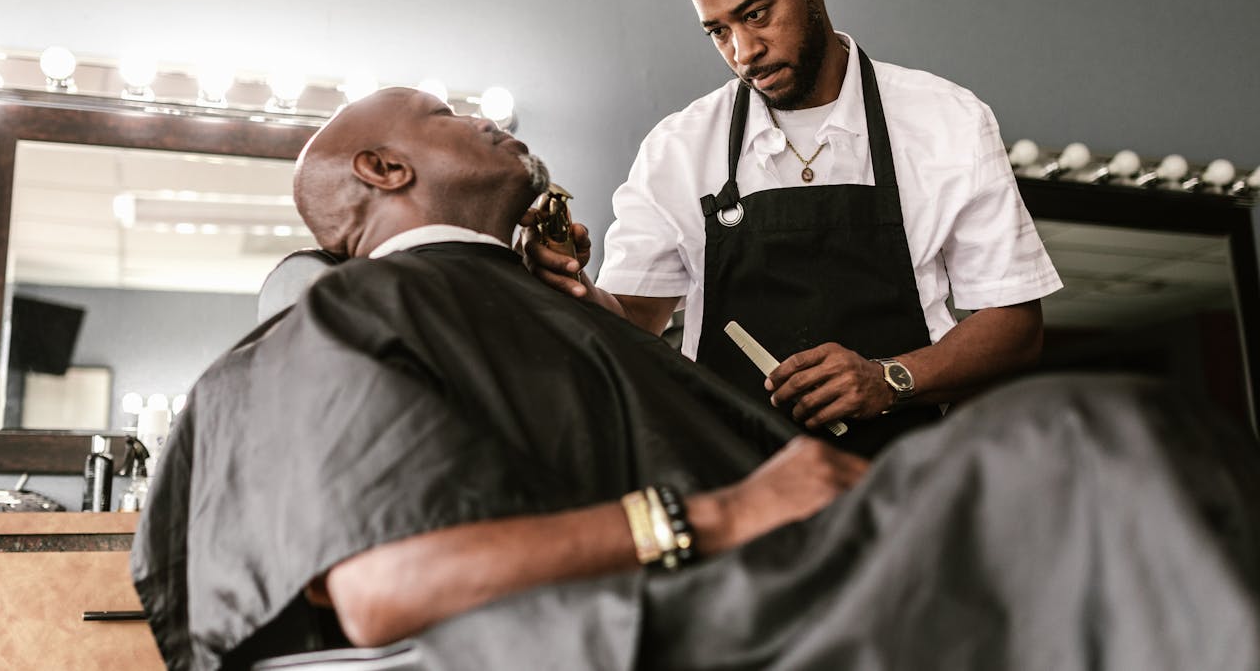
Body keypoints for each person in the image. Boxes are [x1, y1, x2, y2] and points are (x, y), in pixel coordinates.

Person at [132, 89, 1260, 671]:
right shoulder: (341, 308)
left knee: (1103, 468)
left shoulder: (526, 305)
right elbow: (383, 585)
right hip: (690, 607)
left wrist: (569, 307)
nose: (488, 118)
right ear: (384, 168)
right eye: (449, 112)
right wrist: (718, 511)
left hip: (801, 564)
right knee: (1084, 439)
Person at [524, 0, 1063, 456]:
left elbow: (1014, 327)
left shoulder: (946, 120)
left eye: (756, 14)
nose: (744, 52)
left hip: (904, 486)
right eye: (718, 31)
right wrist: (575, 285)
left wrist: (887, 380)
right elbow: (633, 319)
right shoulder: (678, 149)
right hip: (736, 483)